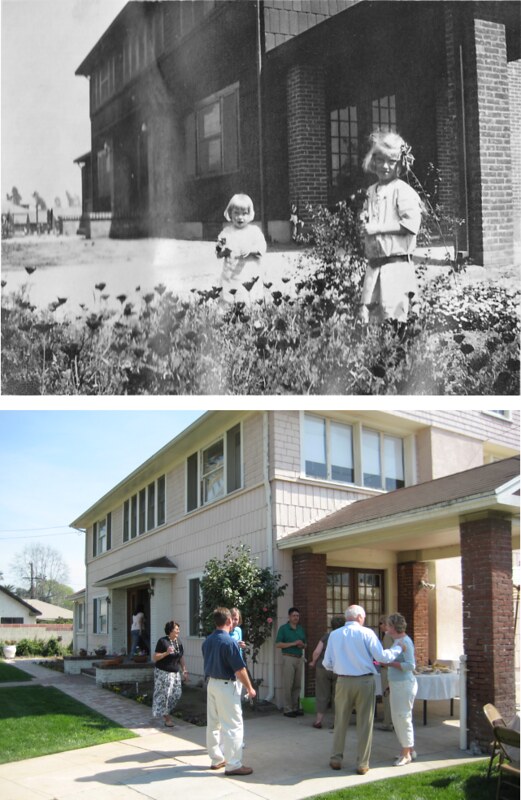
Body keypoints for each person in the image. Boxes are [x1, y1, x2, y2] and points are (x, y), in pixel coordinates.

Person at [322, 604, 406, 775]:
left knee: (340, 721)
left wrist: (341, 667)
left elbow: (327, 662)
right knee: (365, 723)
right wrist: (397, 648)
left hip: (343, 681)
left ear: (347, 617)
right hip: (365, 681)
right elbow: (381, 657)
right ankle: (362, 763)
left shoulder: (334, 635)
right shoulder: (367, 633)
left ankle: (336, 758)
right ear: (360, 617)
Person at [359, 131, 422, 324]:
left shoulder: (402, 191)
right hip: (375, 266)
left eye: (391, 161)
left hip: (395, 267)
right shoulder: (371, 191)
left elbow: (411, 225)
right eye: (380, 160)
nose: (385, 166)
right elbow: (370, 216)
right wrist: (363, 218)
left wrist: (377, 228)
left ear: (400, 164)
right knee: (371, 319)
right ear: (373, 161)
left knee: (394, 317)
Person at [202, 607, 256, 776]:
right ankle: (233, 765)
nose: (234, 622)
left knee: (213, 724)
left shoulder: (207, 641)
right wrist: (249, 687)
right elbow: (240, 670)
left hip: (211, 684)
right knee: (233, 726)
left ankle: (216, 759)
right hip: (226, 685)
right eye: (232, 620)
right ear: (227, 621)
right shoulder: (230, 642)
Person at [216, 193, 267, 303]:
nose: (240, 217)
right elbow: (218, 251)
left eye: (244, 214)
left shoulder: (254, 231)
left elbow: (262, 248)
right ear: (230, 213)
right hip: (231, 276)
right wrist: (223, 251)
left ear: (250, 215)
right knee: (229, 299)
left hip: (248, 275)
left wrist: (251, 250)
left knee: (249, 298)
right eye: (236, 213)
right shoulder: (226, 232)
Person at [386, 612, 418, 766]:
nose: (386, 628)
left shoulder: (405, 641)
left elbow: (411, 665)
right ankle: (409, 749)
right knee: (399, 717)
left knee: (402, 717)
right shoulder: (397, 641)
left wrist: (391, 664)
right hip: (397, 684)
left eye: (388, 625)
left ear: (394, 627)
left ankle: (406, 753)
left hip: (404, 684)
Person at [308, 615, 345, 728]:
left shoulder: (327, 636)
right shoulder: (346, 637)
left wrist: (313, 662)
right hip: (339, 669)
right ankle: (336, 722)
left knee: (322, 694)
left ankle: (319, 721)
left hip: (323, 668)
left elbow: (317, 651)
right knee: (338, 696)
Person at [152, 620, 188, 728]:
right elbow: (155, 657)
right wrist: (166, 653)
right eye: (176, 629)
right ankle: (166, 717)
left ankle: (164, 710)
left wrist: (184, 670)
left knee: (177, 693)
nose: (178, 630)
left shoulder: (179, 642)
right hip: (163, 672)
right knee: (165, 695)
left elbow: (181, 657)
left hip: (175, 673)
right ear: (170, 630)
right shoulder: (163, 641)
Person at [275, 606, 306, 717]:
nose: (296, 618)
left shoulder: (301, 629)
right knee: (288, 684)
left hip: (299, 657)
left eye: (297, 616)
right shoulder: (283, 629)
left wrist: (302, 645)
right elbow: (278, 644)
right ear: (289, 616)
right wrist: (293, 643)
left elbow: (305, 644)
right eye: (294, 615)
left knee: (297, 685)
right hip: (288, 657)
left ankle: (295, 707)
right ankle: (287, 709)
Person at [376, 614, 395, 731]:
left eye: (381, 624)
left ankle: (388, 722)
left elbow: (387, 655)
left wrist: (378, 662)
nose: (380, 627)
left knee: (387, 696)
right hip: (393, 669)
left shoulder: (387, 637)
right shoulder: (396, 636)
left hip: (387, 670)